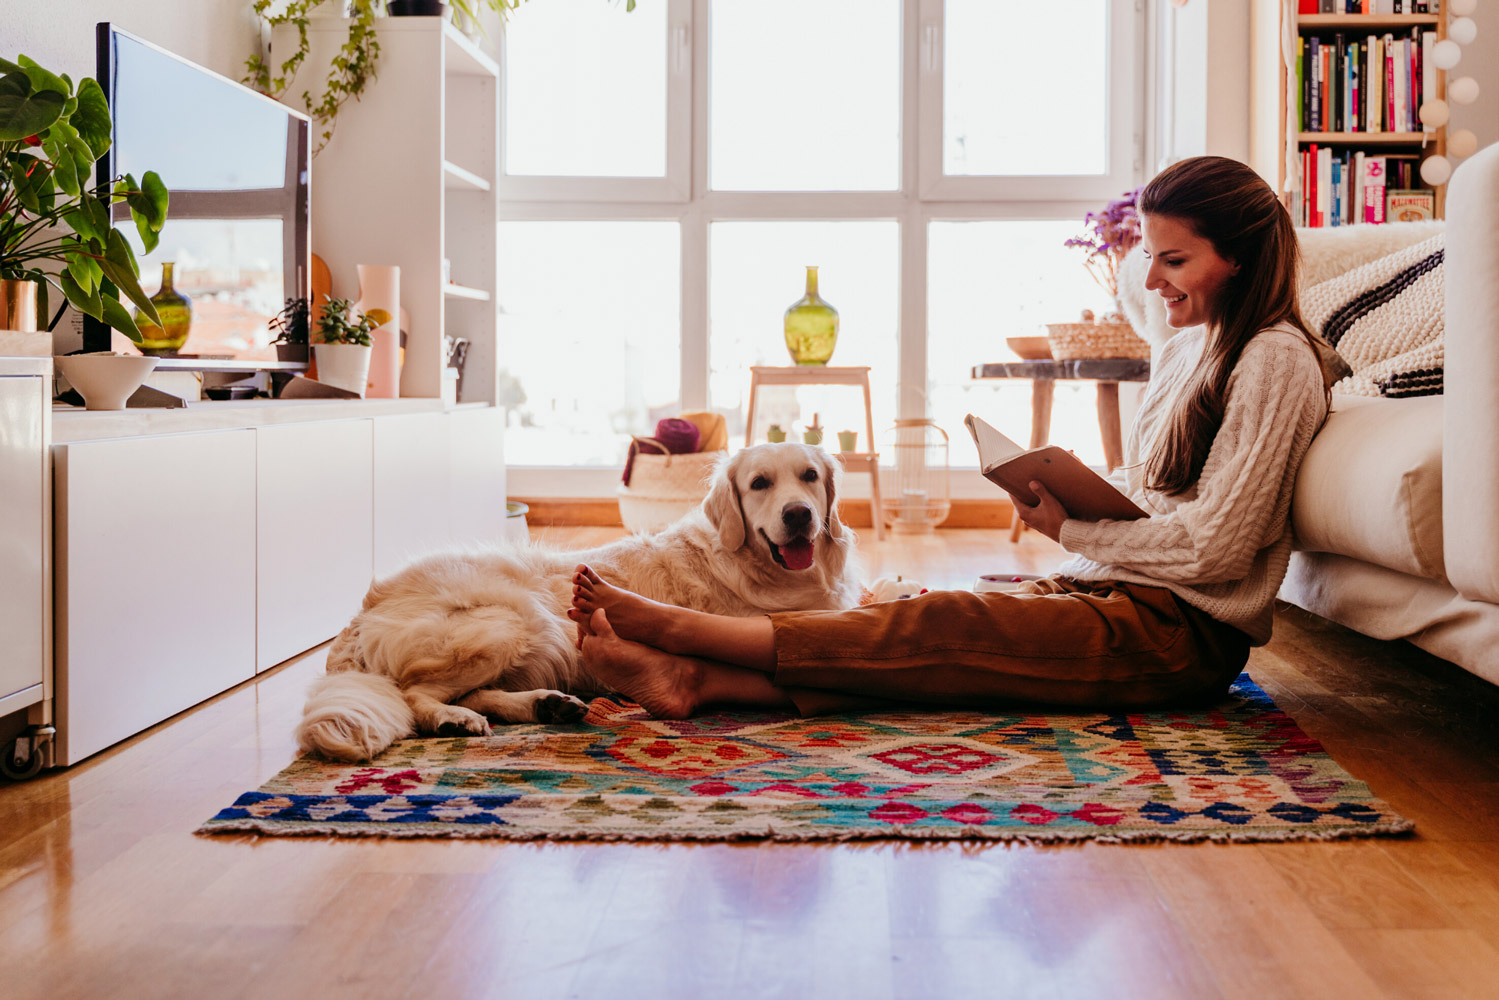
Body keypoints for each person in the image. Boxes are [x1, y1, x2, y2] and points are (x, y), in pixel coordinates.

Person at [566, 155, 1335, 720]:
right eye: (1148, 256)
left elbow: (1217, 550)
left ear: (1236, 259)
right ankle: (694, 683)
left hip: (1174, 637)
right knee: (925, 639)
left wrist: (1073, 526)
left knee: (938, 628)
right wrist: (1078, 515)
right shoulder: (1188, 350)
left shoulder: (1273, 359)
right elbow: (1158, 492)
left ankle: (680, 631)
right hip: (1112, 594)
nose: (1152, 278)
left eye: (1174, 259)